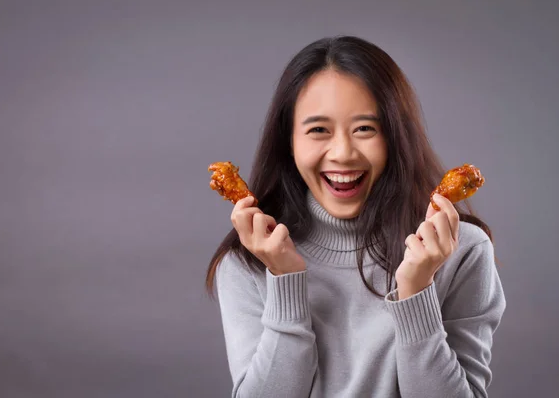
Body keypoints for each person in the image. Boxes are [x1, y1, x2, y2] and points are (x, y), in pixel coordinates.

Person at [205, 35, 506, 398]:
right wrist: (284, 280)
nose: (343, 154)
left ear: (395, 135)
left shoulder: (462, 250)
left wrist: (417, 290)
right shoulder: (248, 260)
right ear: (289, 141)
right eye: (318, 130)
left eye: (365, 128)